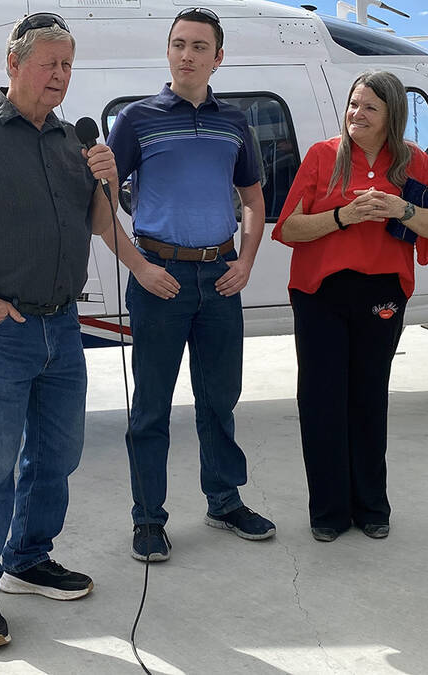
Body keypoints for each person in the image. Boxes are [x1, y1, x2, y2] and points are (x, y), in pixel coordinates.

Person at [0, 13, 129, 651]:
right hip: (5, 327)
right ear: (14, 65)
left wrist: (107, 179)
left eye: (68, 67)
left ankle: (28, 559)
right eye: (50, 66)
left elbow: (97, 223)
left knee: (59, 457)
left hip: (63, 327)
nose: (61, 79)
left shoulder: (73, 143)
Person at [104, 7, 273, 563]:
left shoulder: (234, 123)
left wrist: (246, 260)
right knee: (151, 407)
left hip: (221, 277)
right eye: (179, 44)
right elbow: (100, 206)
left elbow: (252, 199)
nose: (187, 54)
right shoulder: (136, 119)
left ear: (217, 58)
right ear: (168, 52)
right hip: (162, 279)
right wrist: (139, 267)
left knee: (219, 401)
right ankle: (148, 519)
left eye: (200, 46)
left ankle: (224, 501)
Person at [272, 71, 428, 542]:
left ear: (392, 114)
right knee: (321, 399)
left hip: (382, 293)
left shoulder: (411, 161)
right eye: (354, 104)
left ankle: (372, 506)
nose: (357, 114)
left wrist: (402, 210)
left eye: (370, 107)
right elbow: (289, 229)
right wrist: (343, 216)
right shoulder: (322, 156)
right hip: (320, 295)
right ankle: (329, 512)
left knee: (368, 396)